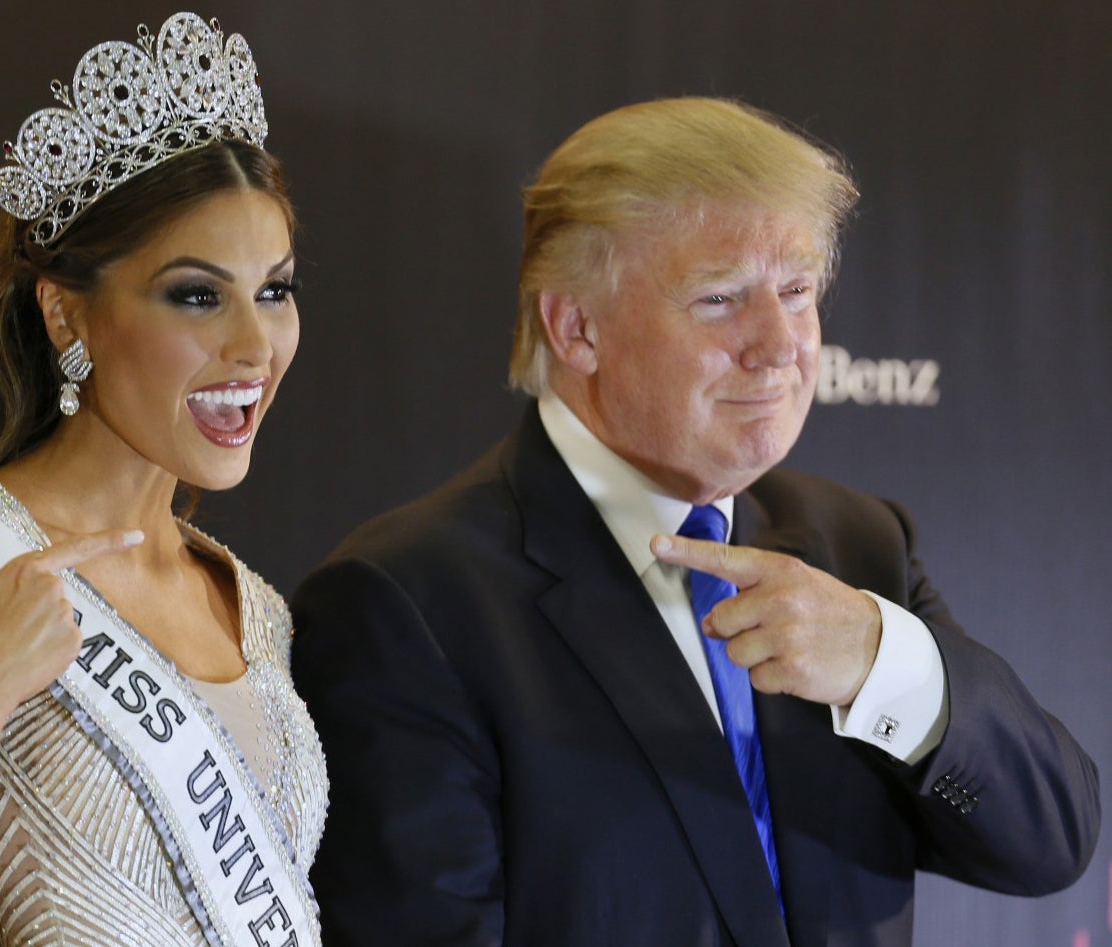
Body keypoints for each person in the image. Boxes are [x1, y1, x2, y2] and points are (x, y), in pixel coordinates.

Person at [289, 97, 1100, 946]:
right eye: (719, 299)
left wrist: (877, 662)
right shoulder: (406, 603)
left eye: (795, 290)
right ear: (577, 327)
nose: (779, 343)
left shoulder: (856, 544)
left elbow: (1050, 840)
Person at [0, 13, 325, 947]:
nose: (253, 345)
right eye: (197, 294)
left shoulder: (253, 607)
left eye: (274, 290)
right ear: (67, 315)